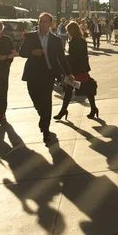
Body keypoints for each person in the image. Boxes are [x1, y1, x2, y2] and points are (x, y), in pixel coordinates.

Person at [18, 12, 75, 144]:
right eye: (40, 21)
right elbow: (21, 52)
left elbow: (61, 58)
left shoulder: (55, 40)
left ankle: (46, 130)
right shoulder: (30, 37)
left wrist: (68, 73)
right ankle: (42, 116)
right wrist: (32, 52)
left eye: (45, 21)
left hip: (48, 74)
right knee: (35, 99)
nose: (42, 23)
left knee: (46, 101)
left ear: (51, 24)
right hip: (32, 74)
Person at [54, 22, 99, 121]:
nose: (68, 33)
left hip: (74, 71)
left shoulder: (73, 42)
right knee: (86, 90)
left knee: (69, 92)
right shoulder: (82, 41)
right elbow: (84, 56)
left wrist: (64, 60)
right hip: (82, 69)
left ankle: (64, 111)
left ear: (71, 31)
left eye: (68, 31)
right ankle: (93, 108)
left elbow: (73, 57)